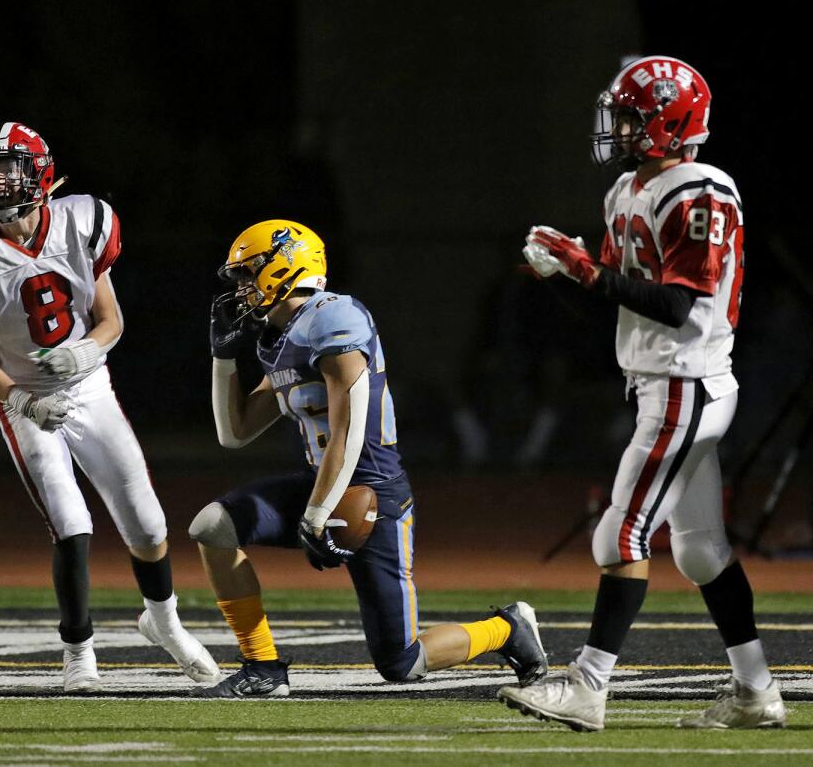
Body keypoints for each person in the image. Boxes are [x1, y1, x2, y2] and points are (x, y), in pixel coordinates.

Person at [499, 55, 785, 731]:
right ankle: (758, 691)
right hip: (662, 381)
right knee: (698, 549)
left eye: (633, 117)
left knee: (620, 531)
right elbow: (620, 305)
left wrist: (588, 273)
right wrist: (569, 276)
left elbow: (682, 306)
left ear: (670, 120)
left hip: (687, 380)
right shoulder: (627, 190)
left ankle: (589, 686)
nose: (621, 129)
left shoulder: (698, 189)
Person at [188, 220, 548, 697]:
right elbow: (233, 433)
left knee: (402, 662)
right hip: (324, 482)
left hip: (371, 492)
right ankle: (263, 669)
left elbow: (349, 428)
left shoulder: (335, 316)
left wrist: (316, 515)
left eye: (247, 273)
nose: (240, 287)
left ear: (284, 265)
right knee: (213, 526)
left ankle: (507, 629)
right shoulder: (277, 338)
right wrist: (222, 357)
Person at [0, 121, 218, 693]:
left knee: (148, 522)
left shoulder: (84, 220)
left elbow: (111, 320)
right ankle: (78, 652)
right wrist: (21, 400)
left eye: (8, 173)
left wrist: (85, 351)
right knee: (70, 521)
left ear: (38, 175)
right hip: (23, 399)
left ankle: (164, 623)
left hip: (89, 387)